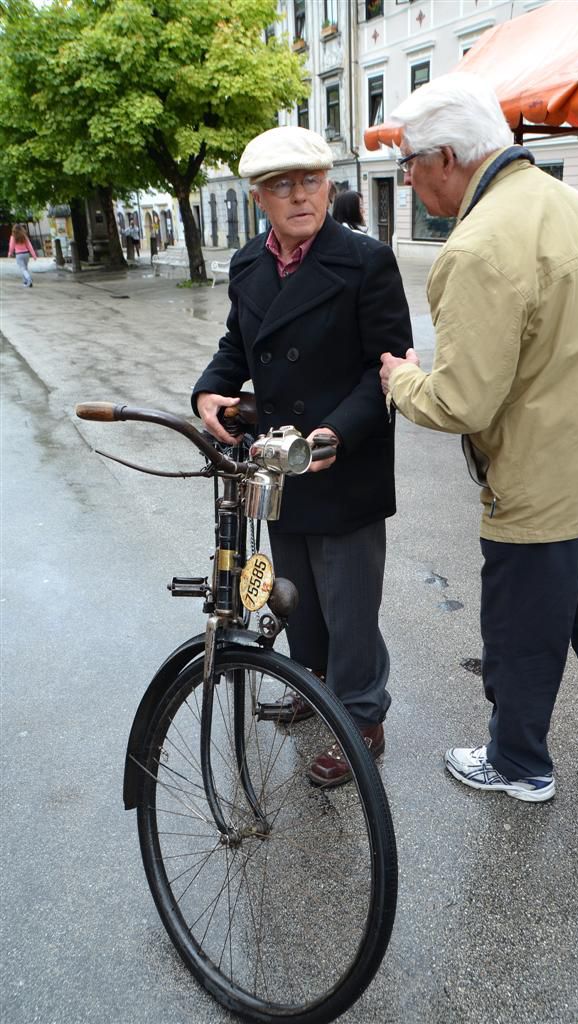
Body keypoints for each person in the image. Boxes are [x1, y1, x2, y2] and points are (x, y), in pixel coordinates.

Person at [379, 72, 578, 811]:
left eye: (410, 162)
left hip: (548, 484)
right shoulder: (574, 204)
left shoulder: (477, 246)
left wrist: (400, 380)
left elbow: (460, 399)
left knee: (521, 632)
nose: (408, 178)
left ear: (447, 158)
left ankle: (518, 764)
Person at [193, 125, 412, 786]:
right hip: (279, 471)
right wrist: (209, 389)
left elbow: (388, 369)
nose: (300, 196)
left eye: (311, 181)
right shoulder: (248, 265)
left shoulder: (365, 262)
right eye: (283, 185)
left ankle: (361, 720)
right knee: (296, 600)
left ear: (329, 186)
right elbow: (239, 343)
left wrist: (336, 434)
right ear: (259, 196)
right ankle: (310, 683)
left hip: (342, 464)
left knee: (350, 608)